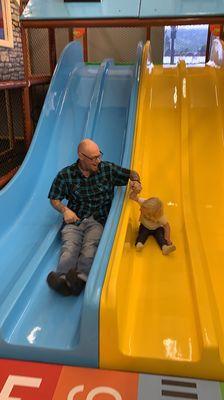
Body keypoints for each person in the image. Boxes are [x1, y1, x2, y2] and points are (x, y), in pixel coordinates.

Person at [47, 139, 141, 296]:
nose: (98, 160)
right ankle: (62, 279)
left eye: (99, 156)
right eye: (93, 158)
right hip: (75, 219)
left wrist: (136, 181)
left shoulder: (107, 169)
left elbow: (132, 173)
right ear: (81, 156)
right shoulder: (66, 175)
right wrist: (65, 210)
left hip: (97, 220)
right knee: (69, 246)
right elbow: (54, 199)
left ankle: (80, 279)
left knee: (90, 246)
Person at [129, 191, 176, 255]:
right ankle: (139, 244)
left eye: (142, 210)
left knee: (160, 236)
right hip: (144, 226)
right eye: (141, 208)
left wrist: (167, 238)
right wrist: (135, 191)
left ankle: (165, 248)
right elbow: (133, 197)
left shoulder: (160, 216)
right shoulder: (144, 203)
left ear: (151, 216)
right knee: (142, 234)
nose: (140, 209)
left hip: (157, 228)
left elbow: (167, 226)